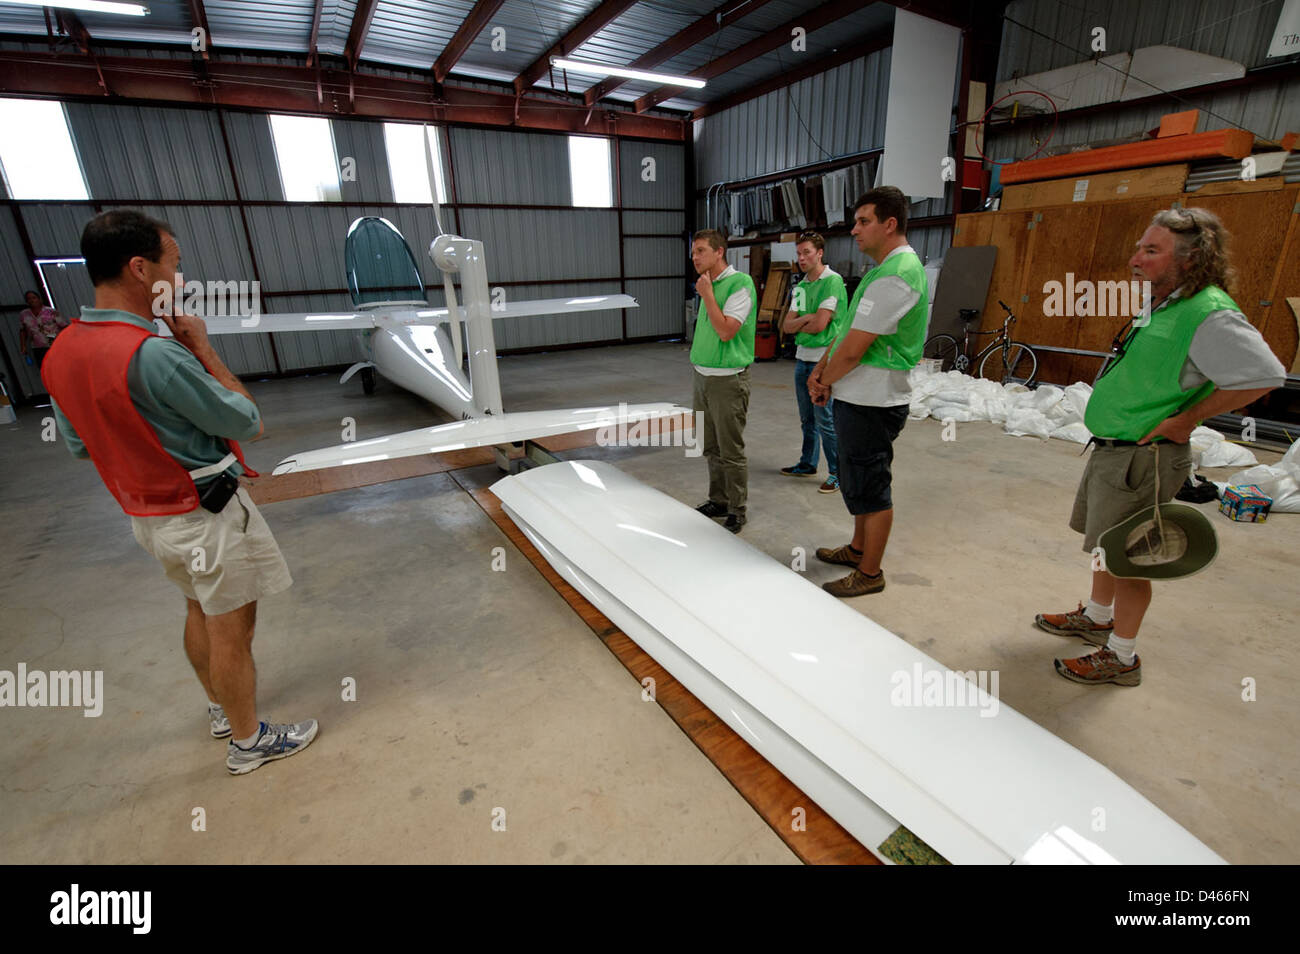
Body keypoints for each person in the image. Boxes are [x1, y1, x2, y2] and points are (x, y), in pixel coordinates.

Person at [42, 209, 317, 774]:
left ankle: (221, 710)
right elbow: (246, 420)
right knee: (232, 626)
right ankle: (248, 742)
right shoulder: (155, 353)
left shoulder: (62, 352)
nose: (182, 280)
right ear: (141, 269)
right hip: (205, 514)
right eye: (176, 265)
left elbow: (78, 446)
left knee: (198, 607)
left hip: (150, 517)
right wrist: (204, 350)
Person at [1038, 206, 1285, 686]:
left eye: (1151, 251)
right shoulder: (1167, 302)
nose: (1136, 259)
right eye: (1139, 247)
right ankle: (1096, 615)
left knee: (1132, 558)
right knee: (1108, 548)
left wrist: (1187, 419)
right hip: (1116, 450)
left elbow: (1265, 375)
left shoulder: (1209, 312)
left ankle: (1122, 657)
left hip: (1143, 456)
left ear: (1192, 259)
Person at [808, 187, 929, 597]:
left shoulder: (898, 274)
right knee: (858, 478)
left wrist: (824, 380)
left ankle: (870, 573)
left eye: (864, 222)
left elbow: (857, 349)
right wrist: (823, 369)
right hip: (858, 396)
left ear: (889, 224)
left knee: (872, 486)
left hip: (876, 400)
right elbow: (845, 333)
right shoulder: (881, 271)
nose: (854, 230)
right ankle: (858, 548)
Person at [690, 228, 757, 533]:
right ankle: (718, 499)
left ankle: (737, 508)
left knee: (730, 450)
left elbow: (727, 330)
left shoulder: (739, 284)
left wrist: (707, 295)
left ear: (719, 252)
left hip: (727, 380)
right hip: (702, 376)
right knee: (710, 446)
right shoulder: (709, 284)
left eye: (701, 251)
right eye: (693, 252)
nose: (695, 257)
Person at [779, 232, 848, 494]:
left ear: (820, 253)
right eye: (798, 254)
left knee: (825, 419)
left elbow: (821, 325)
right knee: (807, 419)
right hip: (802, 359)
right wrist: (807, 319)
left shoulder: (833, 282)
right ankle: (807, 463)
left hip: (824, 360)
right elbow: (786, 326)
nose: (801, 258)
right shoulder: (801, 287)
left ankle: (836, 472)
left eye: (806, 252)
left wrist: (804, 322)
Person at [18, 290, 69, 370]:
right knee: (45, 370)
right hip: (38, 347)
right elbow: (23, 331)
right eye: (29, 299)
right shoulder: (24, 314)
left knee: (60, 368)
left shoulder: (51, 312)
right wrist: (23, 346)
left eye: (34, 298)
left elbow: (64, 326)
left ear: (39, 299)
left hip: (54, 344)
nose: (31, 300)